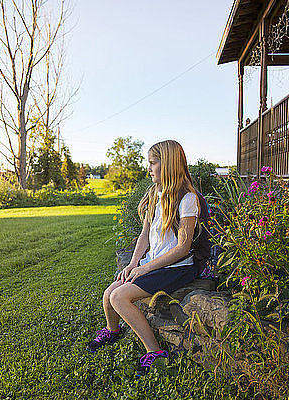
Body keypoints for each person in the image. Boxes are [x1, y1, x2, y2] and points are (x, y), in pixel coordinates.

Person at [87, 140, 210, 377]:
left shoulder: (187, 199)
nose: (149, 168)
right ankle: (113, 331)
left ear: (169, 164)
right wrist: (134, 264)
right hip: (155, 261)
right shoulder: (156, 193)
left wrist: (145, 270)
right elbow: (144, 235)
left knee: (120, 297)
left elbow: (183, 248)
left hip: (178, 266)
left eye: (153, 163)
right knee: (108, 294)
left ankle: (155, 352)